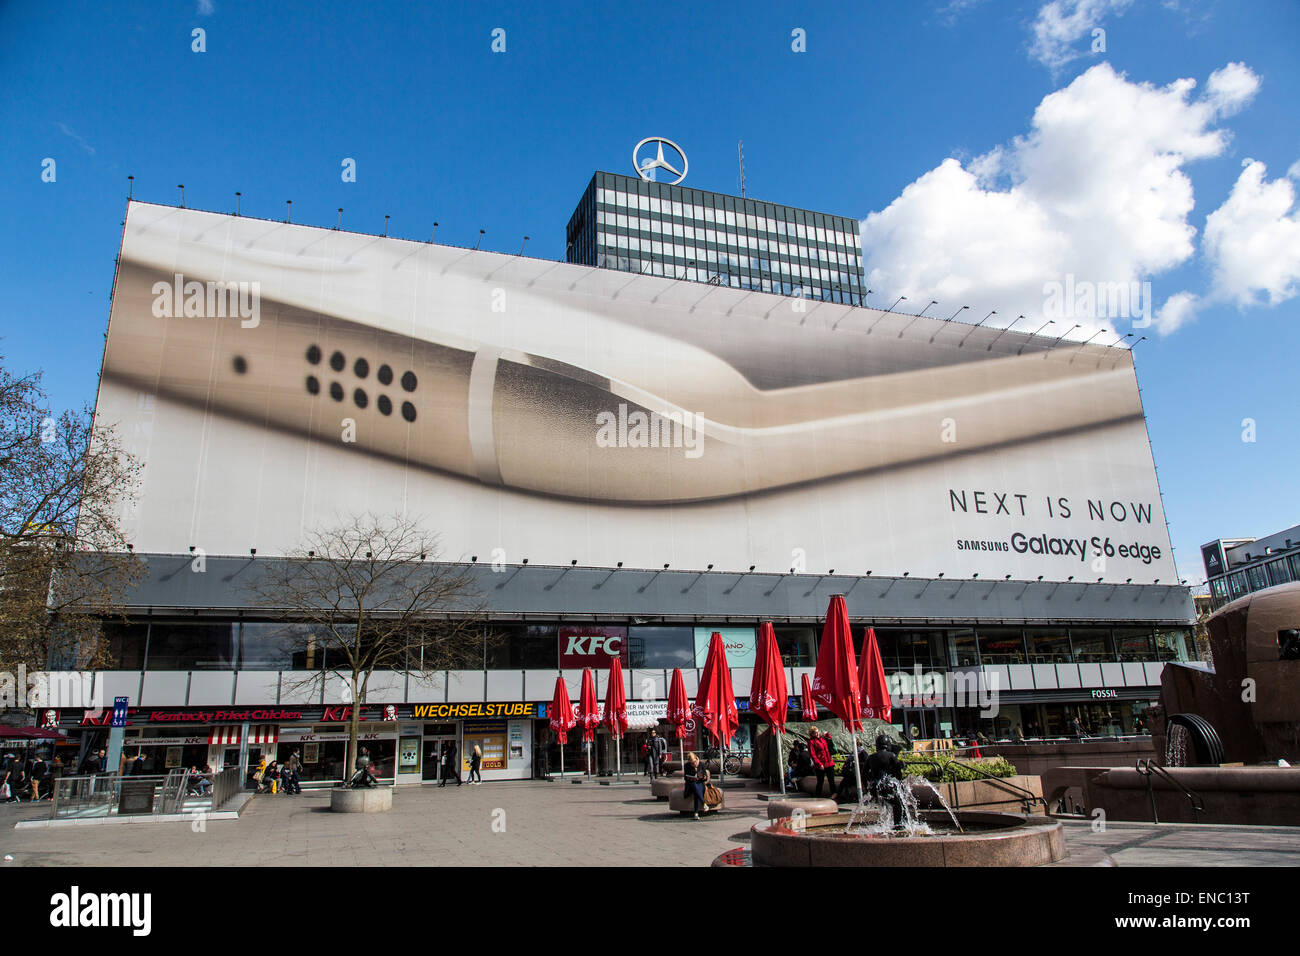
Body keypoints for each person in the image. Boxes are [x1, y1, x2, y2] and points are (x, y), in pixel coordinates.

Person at [866, 734, 905, 829]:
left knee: (889, 803)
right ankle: (898, 825)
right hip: (887, 786)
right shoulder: (891, 755)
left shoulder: (870, 757)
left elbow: (864, 774)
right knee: (898, 803)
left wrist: (868, 786)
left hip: (875, 787)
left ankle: (886, 823)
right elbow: (898, 773)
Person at [682, 751, 712, 821]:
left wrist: (703, 777)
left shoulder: (701, 764)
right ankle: (704, 804)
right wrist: (692, 776)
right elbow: (685, 778)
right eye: (692, 763)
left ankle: (696, 813)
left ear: (696, 759)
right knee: (694, 785)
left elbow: (705, 777)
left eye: (694, 762)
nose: (694, 764)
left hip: (700, 783)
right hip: (691, 785)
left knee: (696, 791)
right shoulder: (687, 766)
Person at [808, 728, 836, 798]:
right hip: (821, 764)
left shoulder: (823, 739)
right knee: (820, 781)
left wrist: (827, 734)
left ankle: (834, 793)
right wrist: (819, 764)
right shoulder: (811, 742)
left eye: (817, 732)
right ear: (812, 734)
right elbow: (812, 754)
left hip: (829, 762)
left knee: (831, 780)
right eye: (815, 733)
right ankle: (818, 796)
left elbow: (829, 741)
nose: (817, 734)